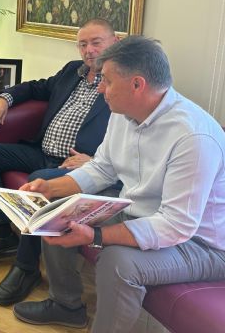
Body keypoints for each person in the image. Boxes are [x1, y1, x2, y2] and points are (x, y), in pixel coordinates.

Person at [13, 36, 225, 332]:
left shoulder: (193, 137)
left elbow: (176, 225)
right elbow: (102, 168)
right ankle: (65, 305)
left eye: (107, 81)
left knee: (117, 261)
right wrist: (50, 189)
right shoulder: (124, 114)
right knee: (58, 214)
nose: (100, 88)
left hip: (201, 244)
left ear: (137, 84)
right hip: (142, 215)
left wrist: (96, 235)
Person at [0, 18, 119, 306]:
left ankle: (26, 268)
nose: (88, 50)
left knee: (41, 181)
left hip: (73, 166)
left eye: (96, 42)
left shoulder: (118, 85)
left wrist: (95, 160)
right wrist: (4, 98)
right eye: (82, 44)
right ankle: (2, 234)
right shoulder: (72, 71)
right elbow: (35, 88)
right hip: (41, 151)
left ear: (115, 42)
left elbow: (125, 143)